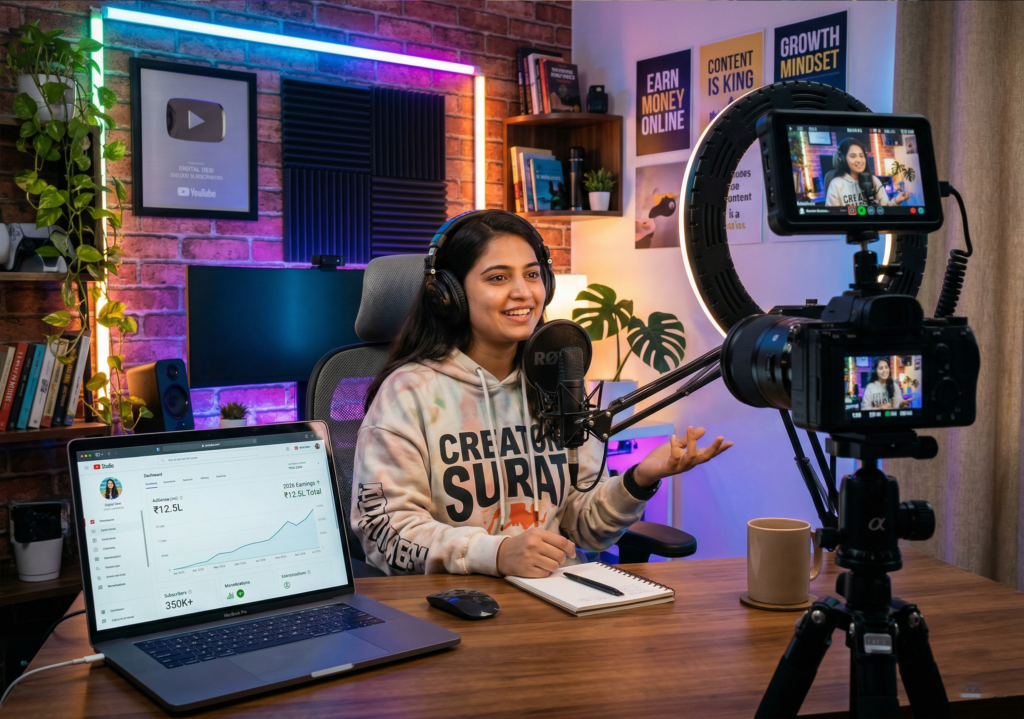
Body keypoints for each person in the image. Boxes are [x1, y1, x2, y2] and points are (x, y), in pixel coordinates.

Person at [352, 210, 732, 578]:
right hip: (456, 607)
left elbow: (586, 528)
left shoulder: (559, 382)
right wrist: (496, 553)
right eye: (498, 277)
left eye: (532, 274)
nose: (523, 293)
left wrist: (639, 479)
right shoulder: (410, 394)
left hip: (560, 600)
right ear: (449, 294)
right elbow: (385, 532)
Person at [825, 138, 913, 207]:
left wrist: (897, 201)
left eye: (861, 156)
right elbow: (832, 216)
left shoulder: (873, 179)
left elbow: (885, 208)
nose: (859, 160)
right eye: (853, 156)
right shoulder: (836, 184)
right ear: (842, 160)